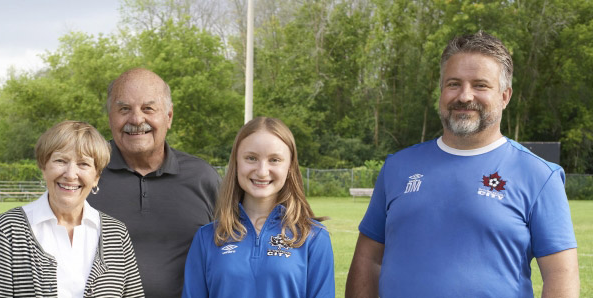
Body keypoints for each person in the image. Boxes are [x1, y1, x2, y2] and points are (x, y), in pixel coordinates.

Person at [346, 31, 580, 297]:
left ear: (505, 96)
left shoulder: (539, 175)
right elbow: (368, 260)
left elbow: (561, 274)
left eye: (480, 85)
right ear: (441, 91)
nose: (465, 96)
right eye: (454, 84)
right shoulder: (398, 167)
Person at [87, 68, 220, 298]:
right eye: (124, 109)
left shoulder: (203, 178)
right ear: (110, 117)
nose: (137, 119)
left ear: (168, 116)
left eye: (148, 108)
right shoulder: (85, 175)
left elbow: (234, 252)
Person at [0, 120, 144, 297]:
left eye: (84, 164)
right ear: (44, 167)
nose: (71, 174)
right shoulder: (9, 228)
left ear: (96, 176)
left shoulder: (116, 233)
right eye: (60, 160)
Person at [182, 117, 335, 298]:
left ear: (290, 168)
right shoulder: (208, 237)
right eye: (251, 158)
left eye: (275, 160)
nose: (262, 171)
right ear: (236, 163)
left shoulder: (313, 238)